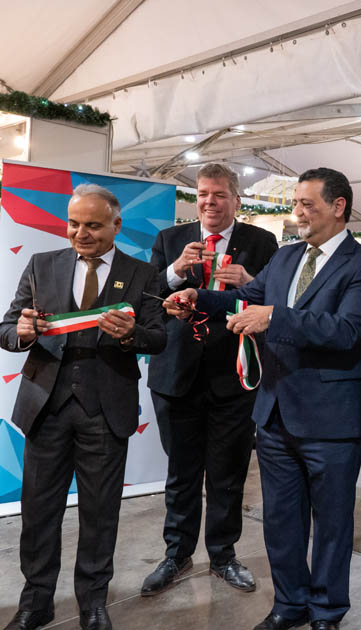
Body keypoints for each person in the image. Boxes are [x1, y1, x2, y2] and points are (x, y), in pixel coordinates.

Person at [164, 167, 361, 630]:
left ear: (338, 206)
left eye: (307, 204)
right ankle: (290, 605)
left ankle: (327, 611)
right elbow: (245, 297)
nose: (297, 213)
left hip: (332, 419)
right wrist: (197, 299)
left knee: (331, 524)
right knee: (282, 520)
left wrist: (274, 318)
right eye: (296, 203)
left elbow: (348, 330)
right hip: (275, 414)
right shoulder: (286, 257)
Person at [0, 184, 166, 630]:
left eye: (93, 225)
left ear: (117, 225)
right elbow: (8, 328)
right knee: (38, 511)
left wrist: (130, 335)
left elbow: (158, 337)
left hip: (106, 409)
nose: (80, 233)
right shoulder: (42, 264)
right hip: (45, 407)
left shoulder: (142, 273)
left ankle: (93, 602)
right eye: (73, 224)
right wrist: (22, 333)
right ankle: (36, 602)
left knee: (100, 512)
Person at [142, 163, 278, 597]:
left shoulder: (262, 242)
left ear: (236, 199)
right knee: (181, 473)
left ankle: (222, 555)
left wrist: (250, 282)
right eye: (202, 194)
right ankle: (176, 553)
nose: (209, 202)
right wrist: (175, 271)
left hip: (234, 376)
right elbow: (147, 297)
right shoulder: (171, 240)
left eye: (218, 194)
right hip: (176, 374)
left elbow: (277, 302)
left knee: (227, 473)